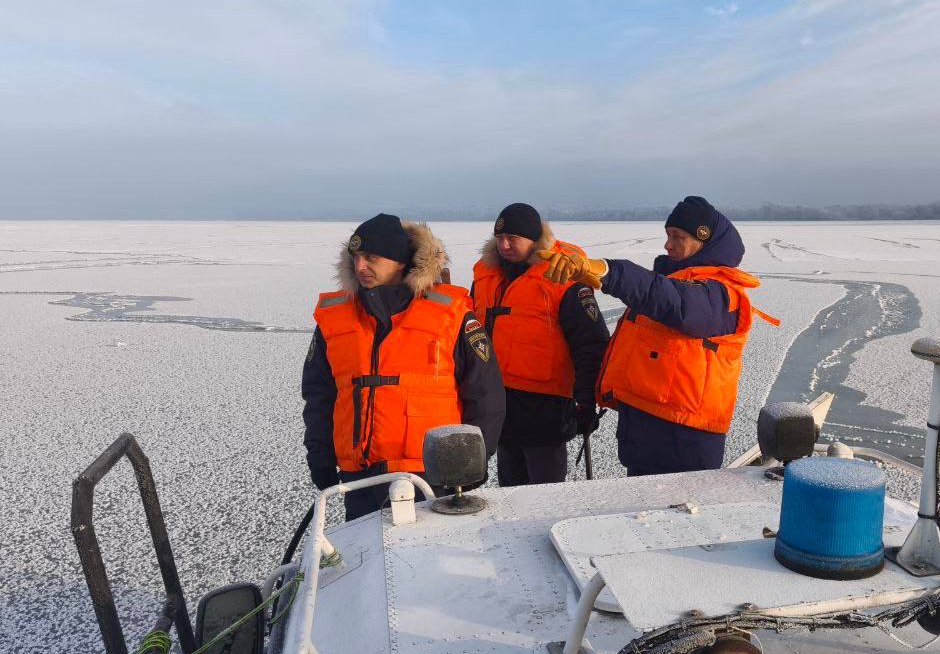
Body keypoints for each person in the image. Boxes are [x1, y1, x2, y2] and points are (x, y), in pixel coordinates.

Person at [541, 195, 777, 476]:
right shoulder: (673, 282)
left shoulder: (721, 293)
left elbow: (676, 304)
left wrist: (609, 272)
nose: (667, 245)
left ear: (703, 240)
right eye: (667, 235)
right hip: (643, 429)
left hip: (684, 440)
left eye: (677, 236)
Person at [302, 213, 504, 520]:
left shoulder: (452, 316)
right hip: (360, 478)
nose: (360, 267)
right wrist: (320, 455)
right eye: (356, 258)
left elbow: (485, 394)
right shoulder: (336, 320)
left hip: (431, 474)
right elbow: (319, 395)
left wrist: (474, 458)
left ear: (399, 262)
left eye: (371, 258)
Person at [471, 203, 609, 486]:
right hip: (501, 401)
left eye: (513, 239)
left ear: (534, 240)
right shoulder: (487, 277)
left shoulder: (562, 278)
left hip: (546, 408)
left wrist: (586, 402)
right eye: (499, 239)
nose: (505, 245)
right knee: (509, 489)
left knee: (545, 493)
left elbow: (590, 345)